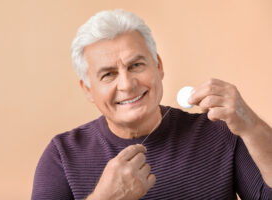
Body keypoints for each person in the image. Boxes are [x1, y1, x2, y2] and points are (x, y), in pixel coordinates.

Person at [31, 9, 272, 200]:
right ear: (88, 90)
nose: (127, 85)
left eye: (136, 65)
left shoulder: (220, 133)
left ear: (159, 66)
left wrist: (252, 125)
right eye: (108, 74)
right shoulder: (62, 155)